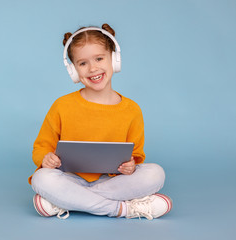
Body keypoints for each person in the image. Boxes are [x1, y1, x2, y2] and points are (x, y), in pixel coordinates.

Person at [28, 23, 172, 220]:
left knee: (155, 174)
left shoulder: (132, 110)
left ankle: (64, 201)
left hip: (112, 182)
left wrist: (130, 165)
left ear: (114, 59)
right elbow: (41, 148)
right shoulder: (62, 105)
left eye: (99, 58)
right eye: (82, 63)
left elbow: (136, 155)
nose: (93, 68)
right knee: (41, 178)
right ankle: (124, 210)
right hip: (70, 179)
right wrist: (46, 158)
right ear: (73, 71)